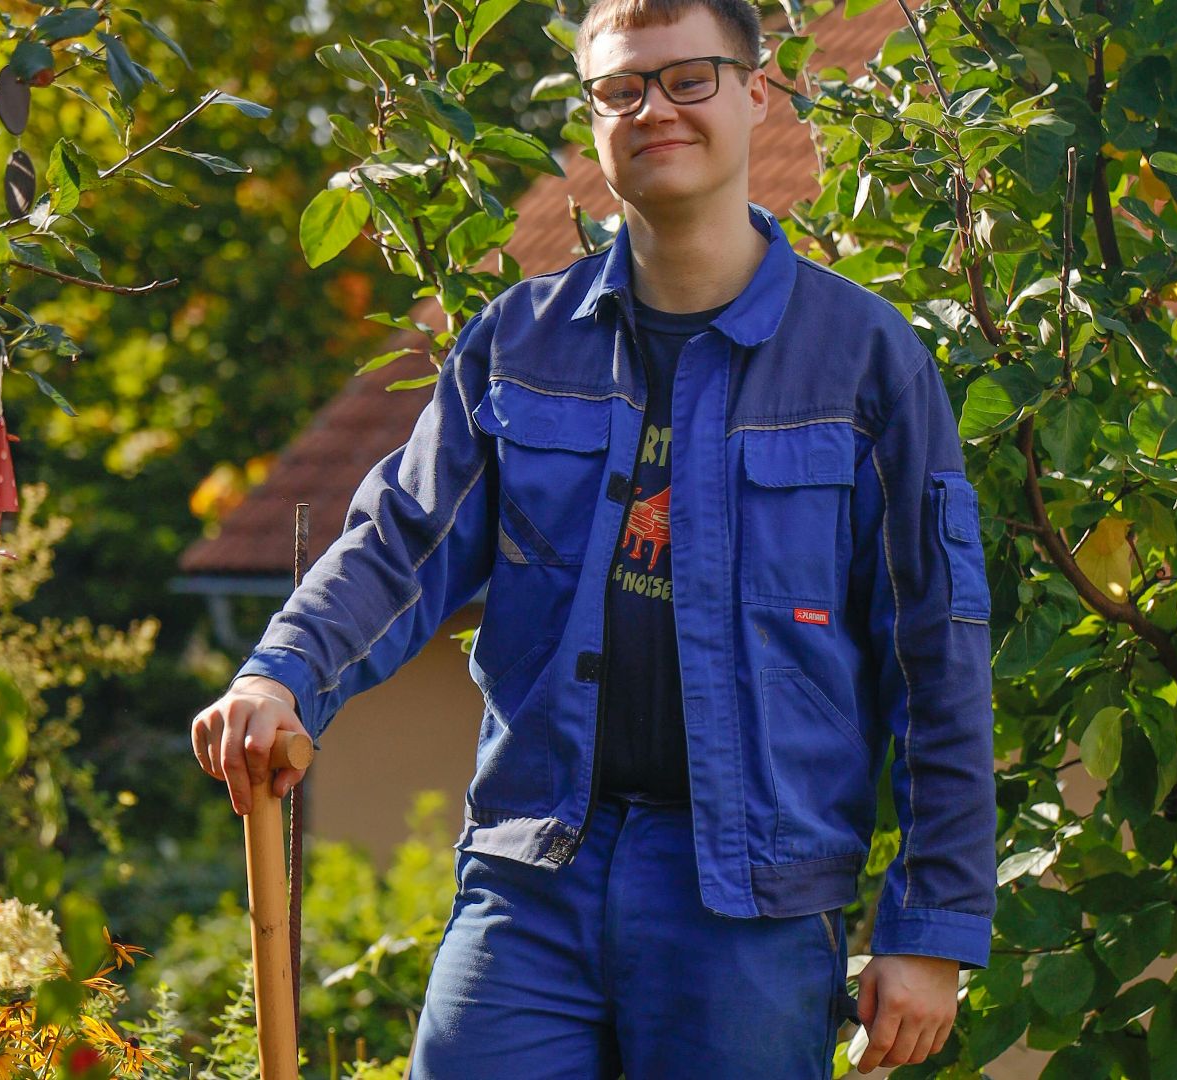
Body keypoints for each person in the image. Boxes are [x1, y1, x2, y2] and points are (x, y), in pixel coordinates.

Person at [190, 0, 997, 1074]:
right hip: (534, 876)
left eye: (688, 79)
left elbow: (935, 649)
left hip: (749, 899)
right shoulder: (517, 344)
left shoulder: (865, 360)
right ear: (594, 118)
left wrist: (930, 928)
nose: (655, 109)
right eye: (622, 89)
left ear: (758, 95)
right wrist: (278, 677)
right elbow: (401, 542)